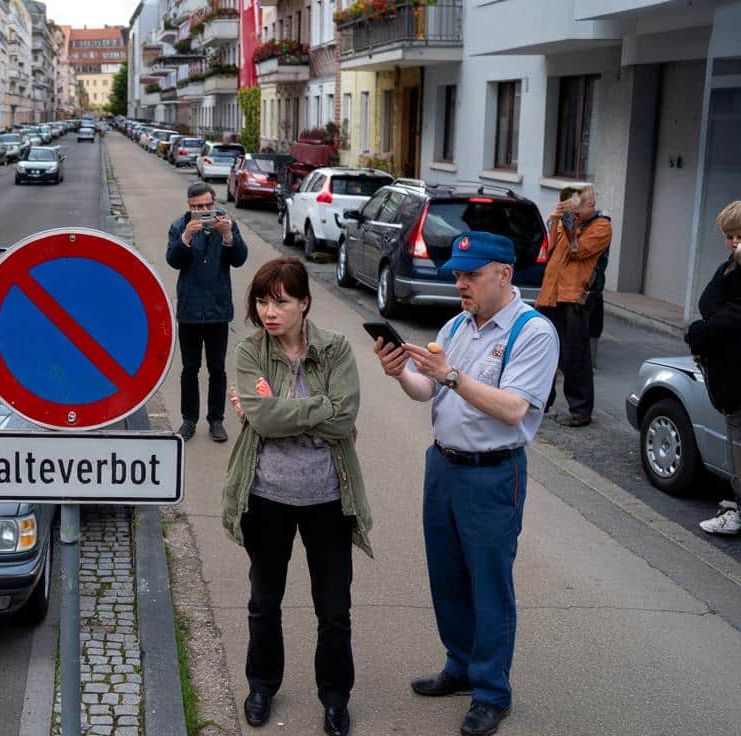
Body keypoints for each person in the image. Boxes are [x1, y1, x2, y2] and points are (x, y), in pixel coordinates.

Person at [373, 232, 558, 736]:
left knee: (489, 584)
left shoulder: (533, 331)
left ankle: (492, 692)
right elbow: (425, 389)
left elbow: (514, 408)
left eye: (471, 275)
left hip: (493, 473)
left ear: (504, 274)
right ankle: (460, 665)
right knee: (448, 576)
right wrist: (399, 373)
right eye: (457, 274)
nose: (461, 284)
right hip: (443, 464)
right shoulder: (456, 324)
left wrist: (450, 375)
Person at [223, 257, 371, 736]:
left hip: (328, 498)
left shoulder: (335, 348)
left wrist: (281, 412)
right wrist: (316, 409)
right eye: (262, 301)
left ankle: (335, 698)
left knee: (334, 609)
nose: (269, 311)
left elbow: (344, 419)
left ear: (305, 302)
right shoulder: (250, 351)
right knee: (264, 602)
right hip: (267, 496)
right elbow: (264, 419)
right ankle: (262, 685)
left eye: (280, 302)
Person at [166, 181, 249, 442]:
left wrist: (228, 236)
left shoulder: (226, 222)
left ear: (214, 203)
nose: (202, 211)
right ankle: (189, 420)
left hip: (218, 310)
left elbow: (239, 259)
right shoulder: (180, 226)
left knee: (217, 369)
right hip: (189, 310)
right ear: (189, 206)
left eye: (206, 206)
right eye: (196, 207)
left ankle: (216, 420)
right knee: (189, 369)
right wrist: (186, 237)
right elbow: (173, 260)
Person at [536, 184, 611, 427]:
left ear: (591, 204)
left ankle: (580, 411)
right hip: (550, 295)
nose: (573, 209)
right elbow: (551, 251)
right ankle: (540, 403)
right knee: (544, 353)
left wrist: (568, 221)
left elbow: (576, 251)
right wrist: (554, 220)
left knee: (575, 357)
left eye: (577, 205)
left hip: (574, 298)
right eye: (570, 205)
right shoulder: (569, 221)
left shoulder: (601, 226)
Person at [687, 201, 741, 536]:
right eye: (729, 236)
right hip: (727, 380)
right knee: (735, 447)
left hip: (737, 381)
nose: (733, 243)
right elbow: (708, 304)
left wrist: (701, 333)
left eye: (740, 236)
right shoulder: (728, 269)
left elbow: (728, 318)